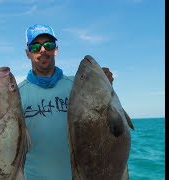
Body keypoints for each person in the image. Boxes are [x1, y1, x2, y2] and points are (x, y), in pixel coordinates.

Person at [18, 24, 114, 180]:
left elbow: (104, 121)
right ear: (27, 53)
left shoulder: (78, 86)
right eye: (35, 47)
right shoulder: (18, 94)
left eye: (48, 45)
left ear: (56, 49)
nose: (43, 50)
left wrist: (103, 84)